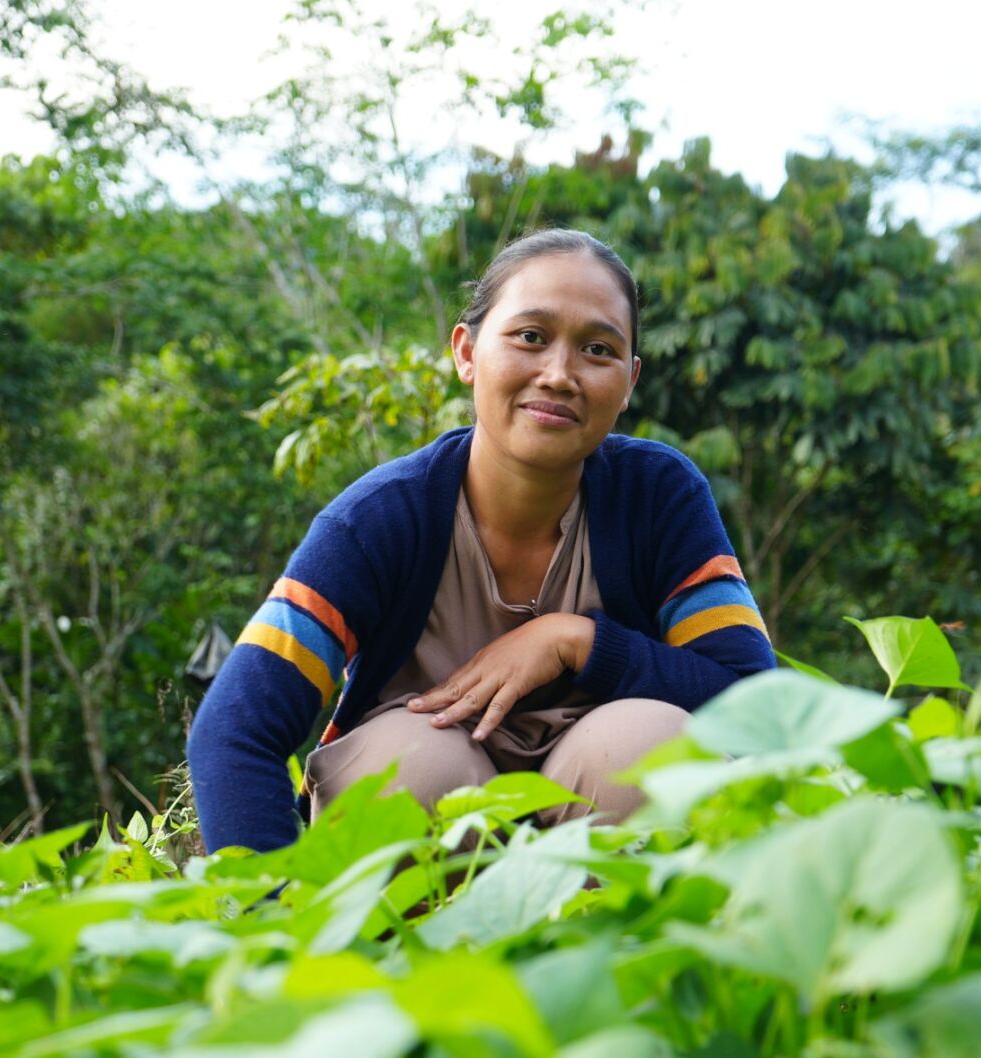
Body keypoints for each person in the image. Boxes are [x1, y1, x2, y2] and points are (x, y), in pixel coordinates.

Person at [187, 228, 776, 853]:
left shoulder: (656, 497)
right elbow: (234, 729)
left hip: (599, 845)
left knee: (649, 750)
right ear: (466, 352)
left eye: (597, 350)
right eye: (531, 337)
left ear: (629, 381)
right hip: (424, 863)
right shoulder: (380, 520)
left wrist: (576, 641)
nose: (559, 375)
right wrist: (271, 906)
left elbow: (758, 706)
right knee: (409, 769)